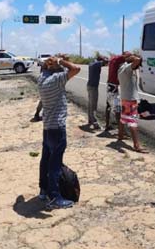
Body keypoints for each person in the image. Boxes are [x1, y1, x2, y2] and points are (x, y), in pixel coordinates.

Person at [38, 54, 80, 209]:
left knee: (45, 160)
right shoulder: (57, 80)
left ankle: (43, 190)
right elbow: (76, 68)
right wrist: (60, 61)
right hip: (57, 128)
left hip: (47, 127)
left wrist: (52, 62)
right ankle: (55, 197)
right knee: (55, 164)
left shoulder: (42, 79)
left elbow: (45, 68)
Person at [117, 54, 147, 153]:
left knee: (123, 118)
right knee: (133, 122)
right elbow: (137, 60)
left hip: (125, 98)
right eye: (138, 65)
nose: (138, 67)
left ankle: (120, 135)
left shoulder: (121, 68)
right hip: (130, 100)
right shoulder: (127, 68)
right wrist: (133, 57)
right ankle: (136, 145)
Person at [105, 52, 130, 132]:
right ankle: (121, 131)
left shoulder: (113, 60)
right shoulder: (119, 58)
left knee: (108, 106)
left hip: (110, 86)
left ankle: (107, 125)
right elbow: (128, 56)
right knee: (117, 109)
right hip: (113, 88)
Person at [86, 56, 108, 129]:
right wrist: (106, 59)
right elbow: (105, 62)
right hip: (93, 87)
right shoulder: (97, 64)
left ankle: (90, 120)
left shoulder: (92, 63)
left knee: (90, 104)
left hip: (89, 85)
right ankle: (95, 123)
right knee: (93, 106)